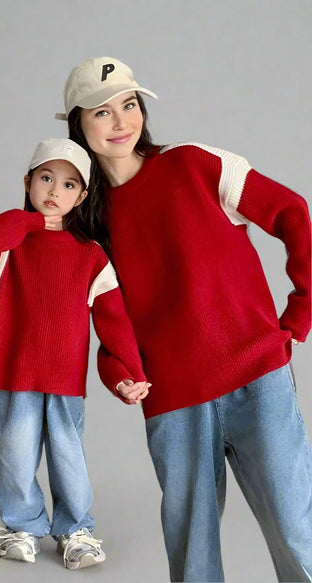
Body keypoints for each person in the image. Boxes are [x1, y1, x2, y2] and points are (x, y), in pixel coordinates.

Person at [55, 57, 312, 582]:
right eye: (102, 113)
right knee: (192, 551)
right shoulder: (87, 225)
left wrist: (300, 314)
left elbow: (293, 213)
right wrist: (119, 373)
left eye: (129, 104)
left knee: (297, 531)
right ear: (78, 125)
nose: (122, 121)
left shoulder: (195, 163)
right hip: (172, 400)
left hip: (257, 377)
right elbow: (107, 322)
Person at [0, 137, 149, 570]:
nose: (53, 192)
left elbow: (113, 319)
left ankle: (74, 529)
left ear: (82, 197)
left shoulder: (90, 254)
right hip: (13, 368)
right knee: (14, 448)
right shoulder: (10, 246)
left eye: (68, 185)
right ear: (28, 181)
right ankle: (22, 527)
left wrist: (128, 372)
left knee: (68, 452)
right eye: (46, 178)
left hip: (65, 373)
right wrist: (27, 222)